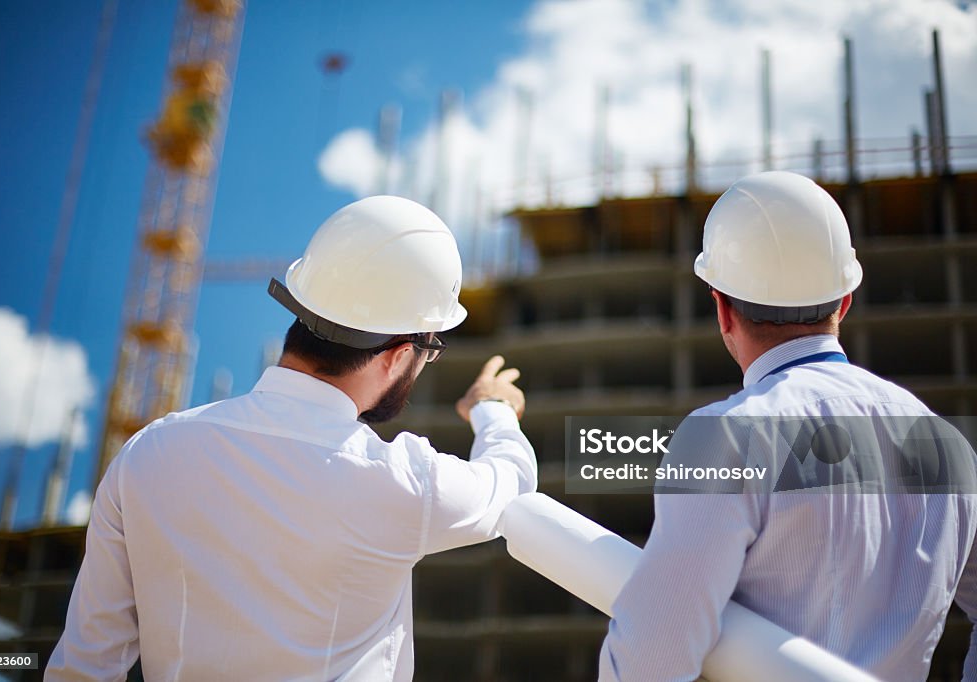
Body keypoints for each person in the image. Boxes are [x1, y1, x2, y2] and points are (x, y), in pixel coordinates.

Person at [47, 196, 536, 681]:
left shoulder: (148, 455)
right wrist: (492, 408)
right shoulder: (402, 482)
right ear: (396, 355)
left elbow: (84, 668)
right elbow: (510, 483)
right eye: (427, 353)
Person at [598, 171, 977, 681]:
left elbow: (651, 663)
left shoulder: (728, 438)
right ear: (844, 303)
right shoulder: (948, 446)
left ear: (722, 310)